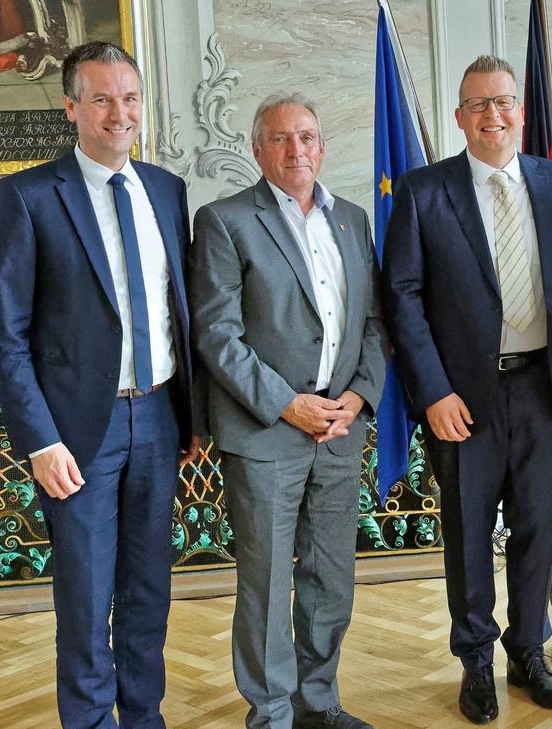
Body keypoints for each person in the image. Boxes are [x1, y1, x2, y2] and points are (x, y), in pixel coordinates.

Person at [380, 55, 552, 725]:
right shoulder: (423, 191)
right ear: (459, 117)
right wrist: (433, 391)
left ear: (520, 111)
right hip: (463, 399)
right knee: (469, 533)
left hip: (544, 391)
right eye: (478, 104)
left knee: (538, 526)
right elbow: (402, 297)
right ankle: (475, 658)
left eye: (503, 101)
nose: (492, 114)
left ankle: (528, 650)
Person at [0, 41, 197, 729]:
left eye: (129, 97)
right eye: (101, 98)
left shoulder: (166, 190)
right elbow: (5, 335)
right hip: (76, 435)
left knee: (147, 590)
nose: (118, 112)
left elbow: (179, 311)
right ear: (71, 106)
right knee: (84, 598)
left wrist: (190, 417)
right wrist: (41, 441)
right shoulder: (27, 196)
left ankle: (143, 717)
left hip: (159, 420)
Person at [189, 94, 386, 729]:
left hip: (339, 431)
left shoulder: (352, 219)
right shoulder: (225, 221)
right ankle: (271, 713)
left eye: (305, 137)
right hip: (266, 431)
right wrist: (287, 404)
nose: (295, 149)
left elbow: (374, 322)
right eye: (279, 139)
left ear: (322, 147)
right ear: (257, 150)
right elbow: (217, 334)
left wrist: (359, 395)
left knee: (332, 577)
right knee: (268, 584)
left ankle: (317, 702)